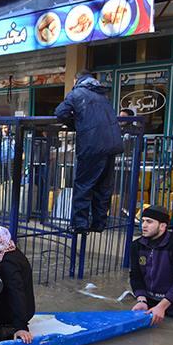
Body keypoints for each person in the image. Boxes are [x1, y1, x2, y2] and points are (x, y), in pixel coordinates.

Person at [55, 70, 123, 234]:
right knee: (103, 186)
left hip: (92, 145)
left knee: (84, 184)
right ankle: (99, 223)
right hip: (111, 145)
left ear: (76, 79)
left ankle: (80, 225)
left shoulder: (77, 93)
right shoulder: (103, 96)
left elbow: (60, 113)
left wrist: (74, 124)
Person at [0, 226, 35, 343]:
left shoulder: (8, 262)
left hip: (13, 314)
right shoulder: (5, 251)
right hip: (18, 308)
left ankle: (6, 329)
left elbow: (16, 292)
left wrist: (21, 327)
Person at [130, 206, 173, 325]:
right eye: (143, 221)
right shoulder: (136, 246)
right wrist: (141, 299)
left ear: (162, 226)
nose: (143, 225)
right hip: (150, 302)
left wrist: (162, 306)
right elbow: (135, 275)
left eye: (149, 221)